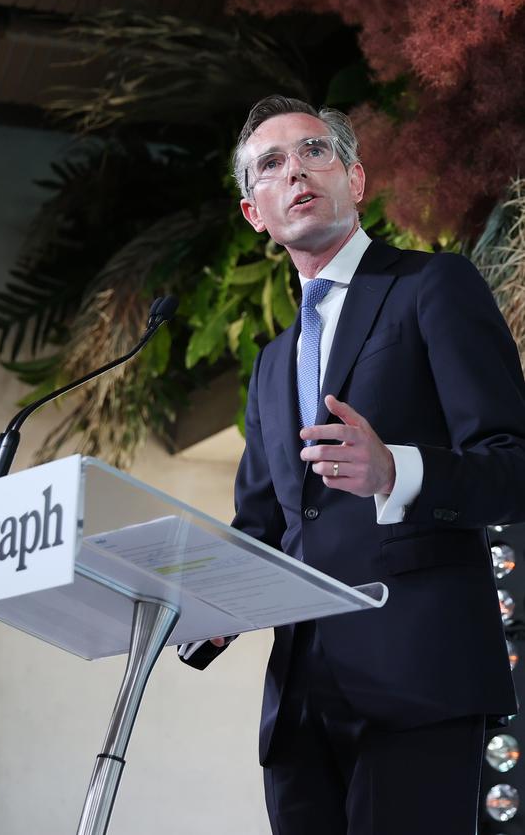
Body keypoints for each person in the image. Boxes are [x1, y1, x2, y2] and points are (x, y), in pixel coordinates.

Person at [179, 95, 525, 834]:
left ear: (356, 180)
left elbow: (513, 466)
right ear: (255, 214)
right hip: (302, 698)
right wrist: (207, 605)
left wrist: (396, 470)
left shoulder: (432, 288)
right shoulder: (274, 364)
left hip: (418, 680)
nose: (296, 171)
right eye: (271, 165)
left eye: (315, 152)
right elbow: (265, 522)